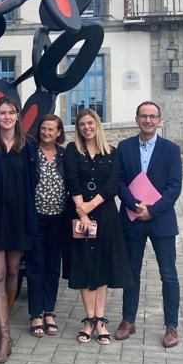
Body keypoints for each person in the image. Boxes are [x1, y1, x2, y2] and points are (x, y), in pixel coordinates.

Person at [115, 101, 183, 348]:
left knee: (169, 275)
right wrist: (134, 206)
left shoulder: (171, 150)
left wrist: (152, 211)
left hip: (161, 221)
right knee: (130, 272)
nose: (148, 120)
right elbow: (120, 182)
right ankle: (128, 320)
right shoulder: (124, 147)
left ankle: (171, 326)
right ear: (136, 119)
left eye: (152, 116)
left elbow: (174, 187)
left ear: (159, 121)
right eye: (144, 116)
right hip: (132, 219)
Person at [63, 108, 132, 345]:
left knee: (101, 264)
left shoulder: (111, 152)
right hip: (78, 213)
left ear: (97, 125)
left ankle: (100, 320)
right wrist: (82, 211)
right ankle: (89, 320)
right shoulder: (73, 151)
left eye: (90, 123)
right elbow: (71, 179)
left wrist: (89, 208)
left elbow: (113, 184)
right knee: (84, 264)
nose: (86, 127)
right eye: (81, 124)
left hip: (104, 214)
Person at [0, 96, 37, 363]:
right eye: (2, 113)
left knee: (14, 270)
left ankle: (4, 319)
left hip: (18, 219)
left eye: (11, 112)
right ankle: (4, 336)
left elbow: (34, 182)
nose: (6, 117)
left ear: (18, 116)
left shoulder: (28, 147)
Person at [25, 113, 68, 338]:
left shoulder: (64, 154)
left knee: (53, 267)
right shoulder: (31, 153)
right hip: (36, 219)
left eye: (51, 129)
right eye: (43, 129)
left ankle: (49, 311)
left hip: (58, 220)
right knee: (36, 267)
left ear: (59, 133)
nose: (46, 133)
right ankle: (35, 314)